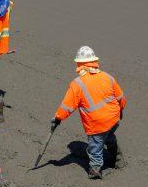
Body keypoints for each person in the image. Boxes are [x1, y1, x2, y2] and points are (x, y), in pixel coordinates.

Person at [52, 46, 127, 179]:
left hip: (97, 124)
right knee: (109, 136)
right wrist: (121, 109)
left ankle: (95, 171)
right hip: (114, 118)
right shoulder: (107, 77)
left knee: (95, 148)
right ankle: (118, 160)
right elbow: (121, 97)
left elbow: (67, 107)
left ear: (79, 64)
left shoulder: (77, 84)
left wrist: (57, 118)